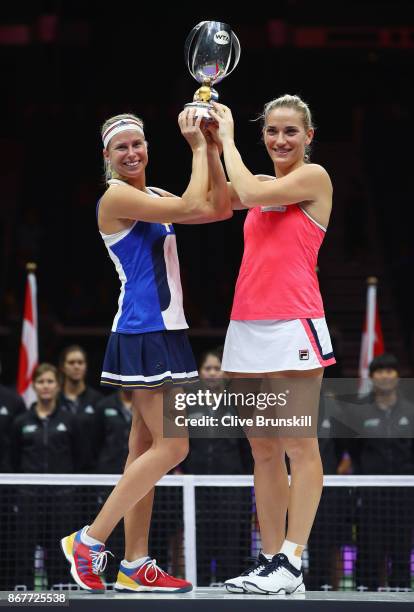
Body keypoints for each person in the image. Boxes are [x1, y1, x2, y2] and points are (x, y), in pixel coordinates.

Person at [60, 110, 231, 592]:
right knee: (175, 446)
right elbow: (195, 202)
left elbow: (214, 207)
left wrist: (214, 149)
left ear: (147, 148)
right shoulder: (117, 197)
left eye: (138, 144)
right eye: (121, 148)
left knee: (142, 449)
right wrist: (197, 147)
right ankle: (90, 541)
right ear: (107, 158)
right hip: (143, 330)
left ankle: (135, 564)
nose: (132, 152)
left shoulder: (154, 197)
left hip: (168, 331)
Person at [209, 94, 336, 594]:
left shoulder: (315, 178)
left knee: (299, 447)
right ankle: (270, 562)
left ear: (308, 137)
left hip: (293, 326)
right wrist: (206, 142)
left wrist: (231, 138)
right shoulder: (259, 184)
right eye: (272, 132)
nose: (280, 140)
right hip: (245, 328)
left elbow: (248, 191)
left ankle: (293, 559)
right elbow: (220, 199)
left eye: (289, 132)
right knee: (263, 451)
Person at [11, 363, 85, 589]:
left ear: (57, 386)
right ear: (33, 386)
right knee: (24, 546)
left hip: (62, 497)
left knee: (60, 547)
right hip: (28, 497)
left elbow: (80, 459)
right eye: (41, 382)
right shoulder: (20, 422)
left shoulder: (70, 421)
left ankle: (61, 586)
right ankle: (23, 589)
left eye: (50, 381)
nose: (45, 386)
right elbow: (13, 461)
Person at [350, 353, 414, 590]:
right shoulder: (359, 411)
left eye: (390, 370)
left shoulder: (410, 409)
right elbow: (354, 451)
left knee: (401, 550)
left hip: (404, 496)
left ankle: (402, 592)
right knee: (369, 551)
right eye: (380, 371)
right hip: (370, 496)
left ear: (397, 377)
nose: (385, 375)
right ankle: (364, 595)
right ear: (372, 377)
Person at [58, 345, 103, 471]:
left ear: (86, 366)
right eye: (71, 363)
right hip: (60, 472)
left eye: (80, 362)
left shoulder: (98, 401)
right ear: (62, 367)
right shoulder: (53, 400)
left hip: (91, 473)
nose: (76, 366)